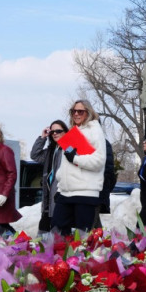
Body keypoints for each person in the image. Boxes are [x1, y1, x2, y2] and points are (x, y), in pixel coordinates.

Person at [52, 99, 106, 234]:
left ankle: (78, 256)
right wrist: (60, 178)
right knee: (57, 232)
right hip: (65, 192)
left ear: (88, 112)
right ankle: (61, 256)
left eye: (80, 111)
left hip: (85, 193)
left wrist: (75, 159)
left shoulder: (95, 130)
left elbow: (99, 161)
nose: (76, 114)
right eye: (73, 111)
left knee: (82, 238)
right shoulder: (73, 131)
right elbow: (65, 163)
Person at [29, 119, 68, 233]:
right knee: (43, 235)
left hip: (61, 198)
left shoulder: (68, 149)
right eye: (52, 132)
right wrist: (43, 138)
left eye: (58, 131)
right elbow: (35, 155)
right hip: (47, 202)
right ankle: (43, 249)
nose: (55, 133)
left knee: (59, 234)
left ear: (65, 132)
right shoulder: (50, 151)